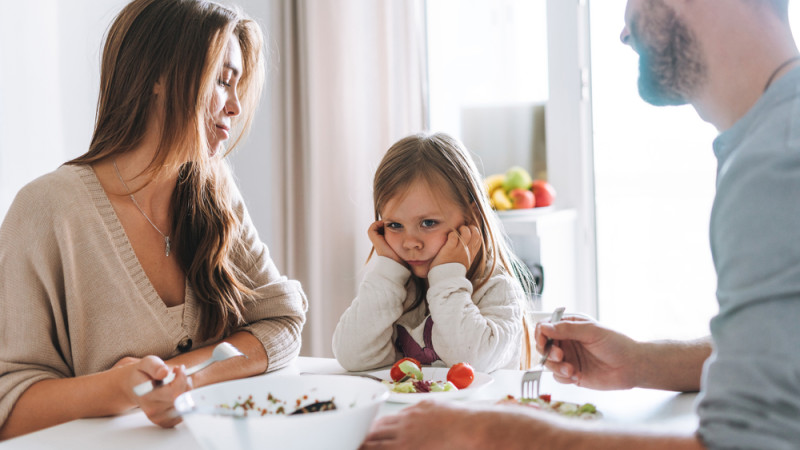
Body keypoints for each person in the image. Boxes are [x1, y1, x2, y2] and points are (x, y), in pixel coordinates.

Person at [360, 0, 800, 448]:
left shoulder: (776, 163)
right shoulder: (770, 144)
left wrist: (492, 432)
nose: (624, 32)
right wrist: (642, 362)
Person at [0, 0, 307, 440]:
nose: (236, 107)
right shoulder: (45, 210)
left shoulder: (214, 192)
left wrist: (183, 378)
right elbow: (6, 404)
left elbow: (281, 322)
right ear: (159, 76)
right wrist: (120, 389)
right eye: (222, 81)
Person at [332, 132, 536, 373]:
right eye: (395, 225)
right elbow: (352, 357)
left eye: (428, 223)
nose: (410, 243)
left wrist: (447, 277)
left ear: (471, 218)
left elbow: (471, 361)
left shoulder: (497, 289)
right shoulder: (397, 288)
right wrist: (387, 271)